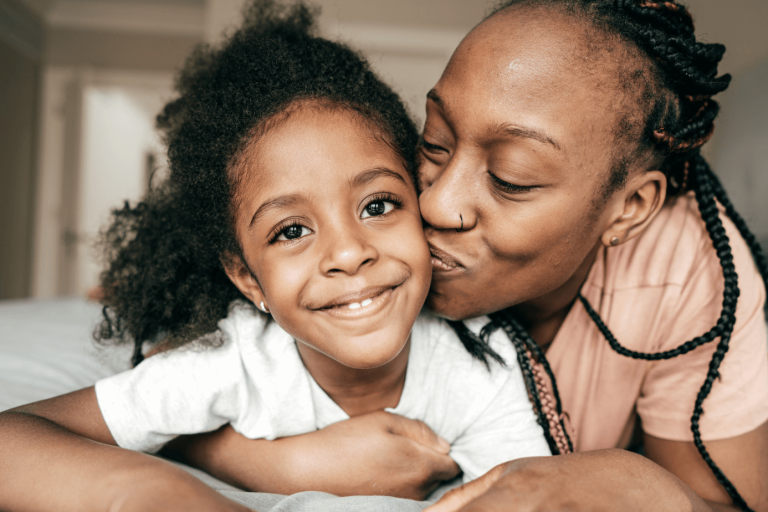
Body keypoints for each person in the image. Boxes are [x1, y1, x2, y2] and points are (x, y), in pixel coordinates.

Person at [173, 1, 768, 511]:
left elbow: (726, 501)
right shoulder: (368, 221)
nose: (438, 203)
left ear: (629, 209)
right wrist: (271, 465)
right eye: (434, 141)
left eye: (512, 178)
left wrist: (643, 485)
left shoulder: (692, 273)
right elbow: (162, 376)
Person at [0, 2, 552, 511]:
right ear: (247, 279)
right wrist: (152, 488)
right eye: (291, 230)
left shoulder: (487, 365)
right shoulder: (231, 361)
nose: (349, 253)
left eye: (378, 204)